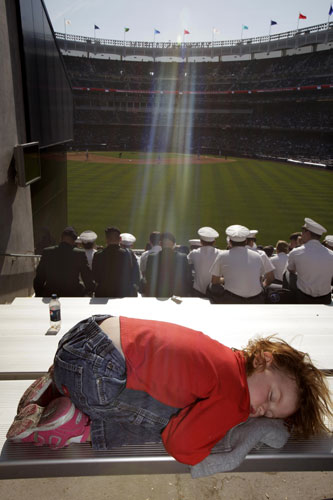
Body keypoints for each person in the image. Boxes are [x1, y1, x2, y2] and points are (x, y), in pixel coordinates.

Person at [7, 315, 332, 467]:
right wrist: (213, 442)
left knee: (172, 393)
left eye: (270, 414)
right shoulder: (234, 397)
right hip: (96, 373)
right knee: (173, 421)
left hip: (82, 338)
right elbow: (180, 445)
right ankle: (81, 428)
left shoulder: (223, 355)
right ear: (263, 359)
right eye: (271, 397)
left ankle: (56, 387)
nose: (260, 411)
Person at [209, 225, 273, 304]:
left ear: (230, 242)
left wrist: (226, 279)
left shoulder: (222, 256)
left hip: (231, 300)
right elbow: (268, 277)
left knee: (211, 286)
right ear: (245, 241)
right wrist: (262, 286)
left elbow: (214, 281)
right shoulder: (258, 256)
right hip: (256, 300)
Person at [33, 226, 95, 297]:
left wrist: (39, 293)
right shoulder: (79, 254)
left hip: (51, 294)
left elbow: (39, 278)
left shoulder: (47, 252)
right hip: (73, 294)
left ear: (61, 238)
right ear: (74, 240)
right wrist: (89, 291)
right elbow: (87, 278)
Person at [286, 217, 333, 305]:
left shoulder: (295, 252)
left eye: (303, 231)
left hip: (302, 298)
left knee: (287, 273)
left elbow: (291, 270)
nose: (301, 234)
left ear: (307, 233)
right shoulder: (332, 255)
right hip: (325, 299)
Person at [145, 232, 192, 297]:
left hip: (158, 295)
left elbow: (148, 277)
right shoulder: (183, 257)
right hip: (177, 296)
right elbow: (187, 278)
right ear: (173, 244)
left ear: (160, 244)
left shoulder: (152, 257)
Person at [92, 226, 135, 297]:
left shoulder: (98, 255)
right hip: (121, 293)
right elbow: (129, 275)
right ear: (120, 239)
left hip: (102, 293)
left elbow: (95, 277)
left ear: (106, 239)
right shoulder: (126, 254)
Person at [187, 226, 220, 297]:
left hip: (197, 291)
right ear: (214, 242)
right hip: (214, 291)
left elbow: (187, 262)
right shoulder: (220, 254)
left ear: (201, 242)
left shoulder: (194, 253)